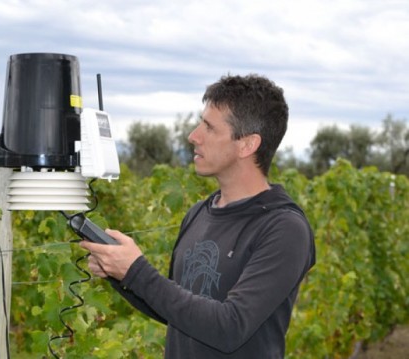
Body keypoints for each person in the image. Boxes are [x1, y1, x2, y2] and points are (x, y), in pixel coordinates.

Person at [80, 74, 316, 358]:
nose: (194, 136)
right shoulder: (199, 213)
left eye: (209, 127)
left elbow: (230, 327)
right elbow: (176, 311)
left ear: (247, 145)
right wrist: (119, 273)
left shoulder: (284, 229)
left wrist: (137, 271)